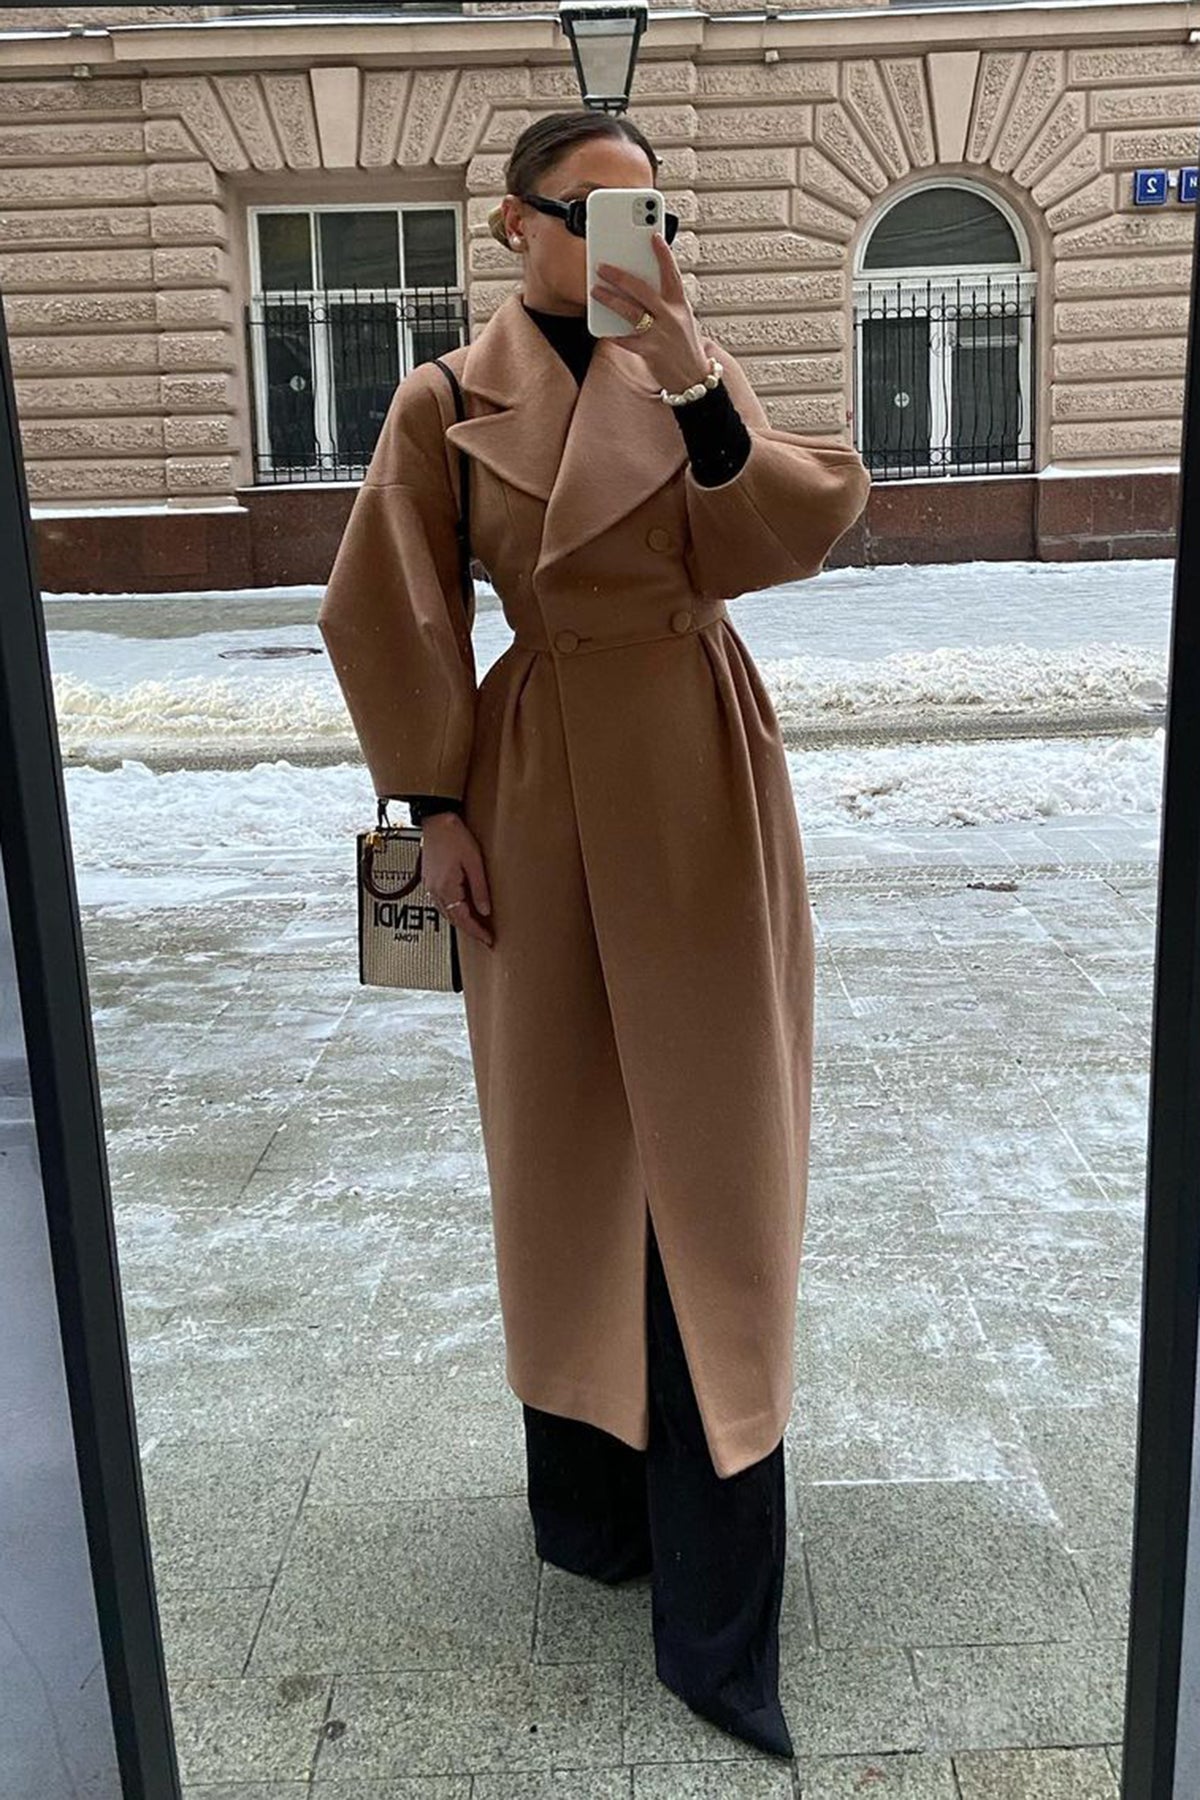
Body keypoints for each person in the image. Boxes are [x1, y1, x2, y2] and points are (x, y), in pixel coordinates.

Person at [318, 108, 871, 1761]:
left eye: (657, 211)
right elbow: (386, 602)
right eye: (598, 209)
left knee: (717, 1152)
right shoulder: (443, 397)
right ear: (516, 223)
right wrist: (433, 805)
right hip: (539, 778)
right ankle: (594, 1506)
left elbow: (782, 540)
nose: (641, 238)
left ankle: (720, 1603)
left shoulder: (687, 365)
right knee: (564, 1141)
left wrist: (692, 375)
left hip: (699, 763)